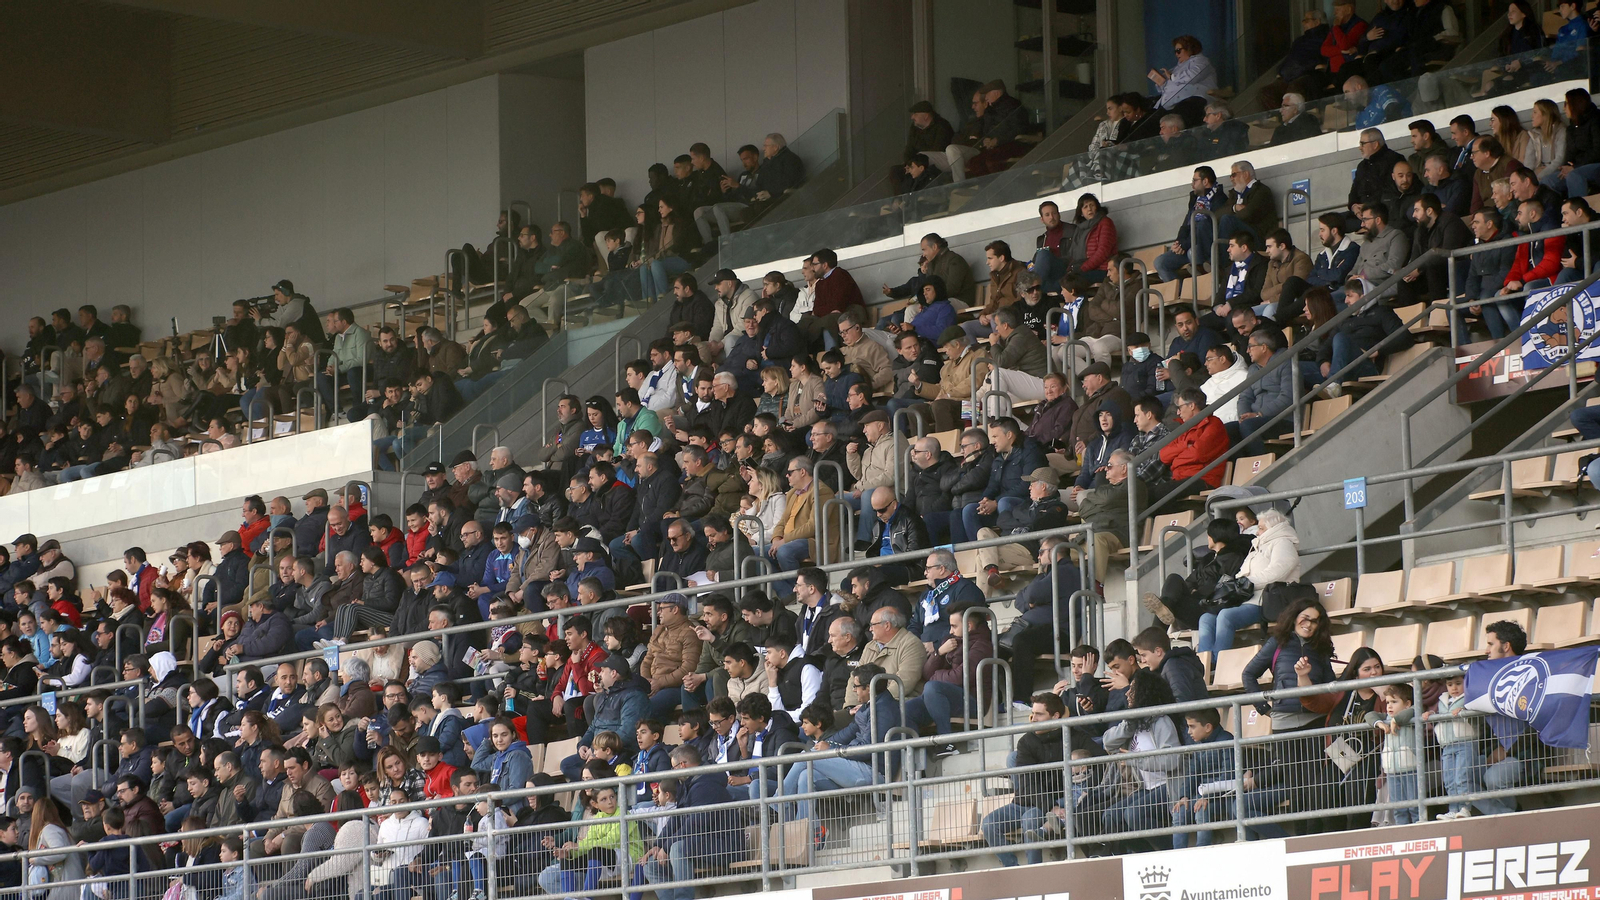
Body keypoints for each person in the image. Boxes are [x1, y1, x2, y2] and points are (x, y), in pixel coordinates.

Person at [1196, 508, 1302, 653]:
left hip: (1266, 602)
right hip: (1245, 599)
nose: (1257, 532)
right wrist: (1233, 586)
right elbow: (1242, 574)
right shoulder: (1257, 547)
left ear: (1274, 528)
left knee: (1226, 616)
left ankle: (1217, 660)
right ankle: (1204, 661)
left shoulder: (1283, 543)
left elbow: (1278, 572)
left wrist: (1248, 583)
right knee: (1206, 618)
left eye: (1261, 528)